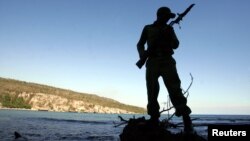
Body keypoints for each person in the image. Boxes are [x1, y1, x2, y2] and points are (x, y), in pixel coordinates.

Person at [137, 7, 193, 132]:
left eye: (169, 17)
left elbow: (176, 45)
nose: (168, 19)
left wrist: (169, 36)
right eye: (166, 16)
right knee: (152, 90)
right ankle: (154, 118)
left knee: (175, 89)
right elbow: (140, 44)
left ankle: (186, 119)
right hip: (152, 61)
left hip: (168, 61)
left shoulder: (169, 29)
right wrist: (143, 55)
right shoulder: (148, 28)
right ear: (159, 16)